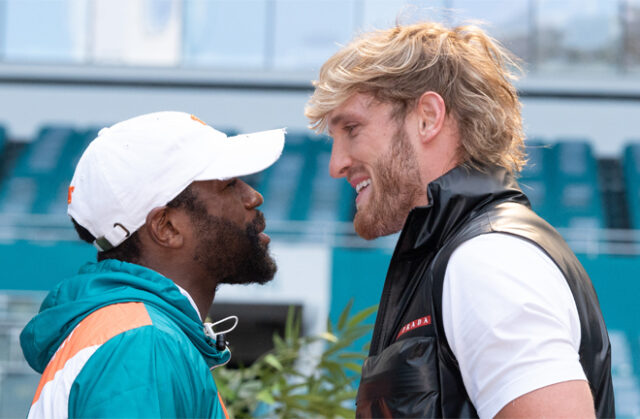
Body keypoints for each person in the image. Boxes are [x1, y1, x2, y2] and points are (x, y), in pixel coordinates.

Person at [305, 22, 615, 418]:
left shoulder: (487, 262)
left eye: (352, 128)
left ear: (428, 117)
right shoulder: (468, 251)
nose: (336, 164)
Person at [20, 111, 285, 418]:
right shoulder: (141, 344)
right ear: (167, 227)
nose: (254, 196)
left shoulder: (135, 335)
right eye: (229, 185)